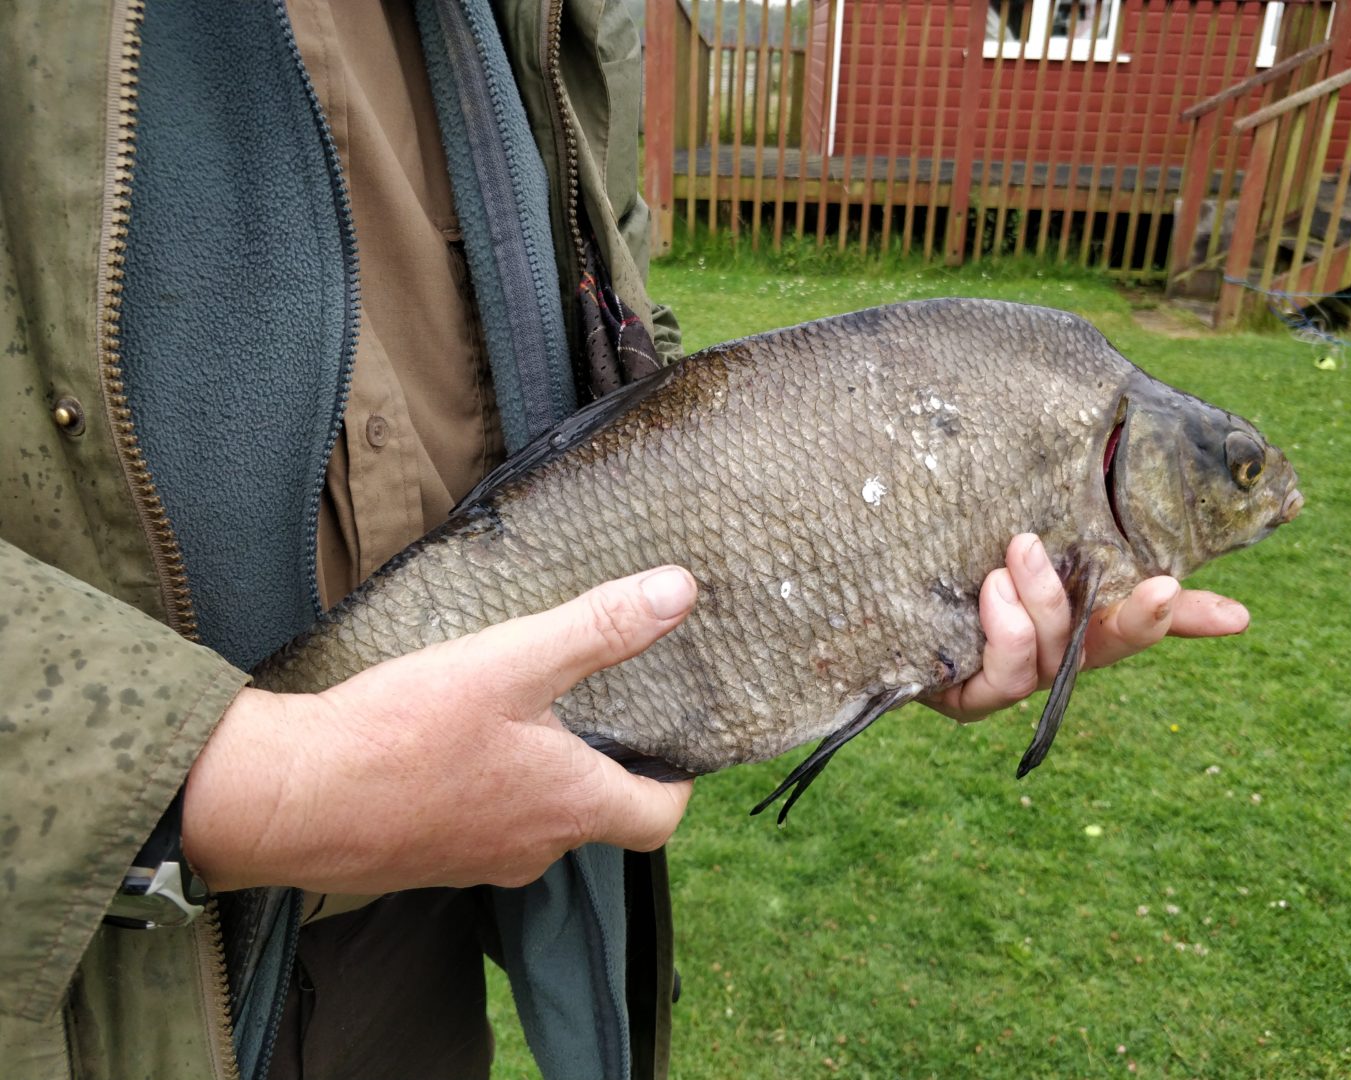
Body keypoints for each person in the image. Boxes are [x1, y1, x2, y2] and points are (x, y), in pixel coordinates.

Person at [0, 2, 1249, 1078]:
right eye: (1236, 478)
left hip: (417, 931)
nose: (1252, 493)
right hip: (74, 973)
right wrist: (240, 778)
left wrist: (863, 593)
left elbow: (609, 354)